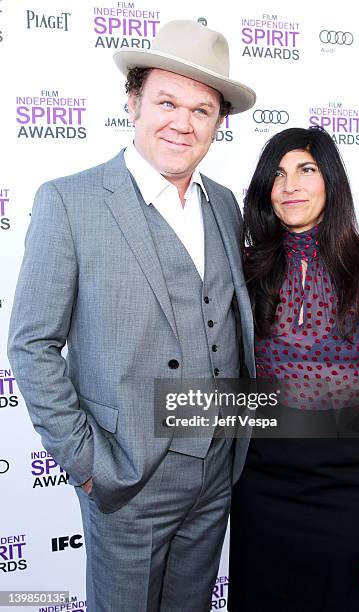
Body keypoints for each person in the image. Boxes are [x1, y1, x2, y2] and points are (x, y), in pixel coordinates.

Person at [7, 20, 256, 612]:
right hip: (126, 478)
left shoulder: (224, 203)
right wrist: (89, 465)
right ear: (133, 102)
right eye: (167, 102)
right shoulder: (69, 201)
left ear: (218, 124)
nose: (183, 122)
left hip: (217, 469)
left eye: (202, 109)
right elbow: (32, 345)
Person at [228, 127, 359, 612]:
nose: (290, 186)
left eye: (306, 170)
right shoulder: (245, 269)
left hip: (348, 487)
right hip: (262, 484)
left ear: (331, 181)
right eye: (279, 175)